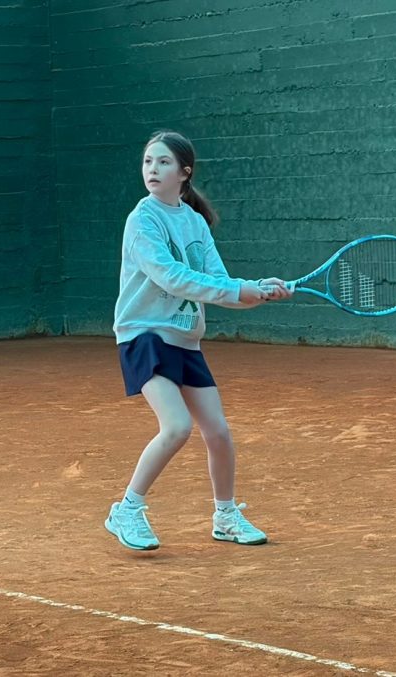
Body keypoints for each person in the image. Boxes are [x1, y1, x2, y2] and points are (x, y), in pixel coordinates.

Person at [106, 130, 292, 551]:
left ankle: (225, 516)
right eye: (148, 161)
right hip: (144, 335)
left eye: (163, 162)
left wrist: (258, 290)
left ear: (184, 172)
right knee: (176, 427)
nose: (153, 169)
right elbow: (172, 277)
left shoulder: (194, 223)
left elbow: (219, 284)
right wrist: (240, 289)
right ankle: (127, 510)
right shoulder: (142, 220)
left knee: (219, 433)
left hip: (185, 339)